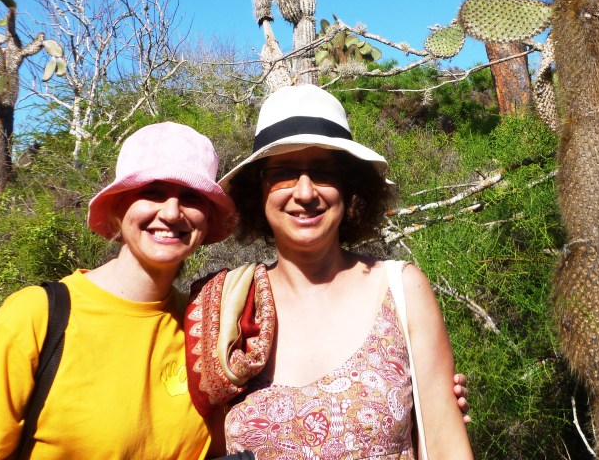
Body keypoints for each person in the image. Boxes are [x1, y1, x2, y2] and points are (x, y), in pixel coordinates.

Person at [193, 85, 474, 460]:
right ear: (257, 189)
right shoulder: (225, 308)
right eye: (284, 173)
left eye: (323, 172)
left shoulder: (401, 288)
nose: (305, 192)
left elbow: (445, 445)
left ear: (350, 186)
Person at [0, 122, 239, 459]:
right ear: (119, 208)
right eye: (151, 192)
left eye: (191, 197)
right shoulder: (36, 319)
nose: (170, 212)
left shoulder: (206, 327)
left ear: (207, 219)